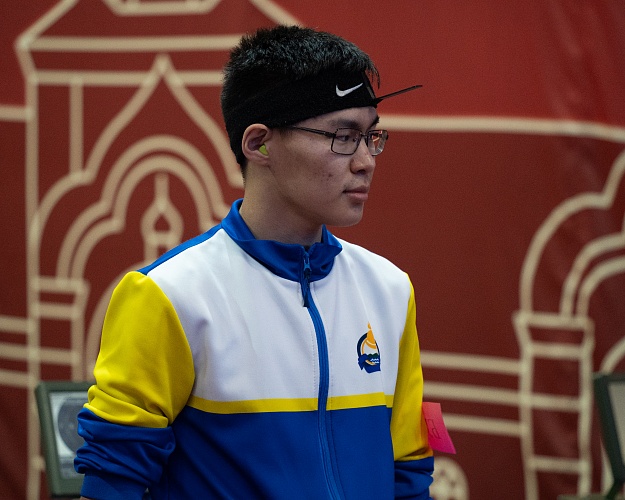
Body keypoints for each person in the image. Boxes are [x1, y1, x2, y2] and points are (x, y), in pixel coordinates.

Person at [75, 25, 434, 499]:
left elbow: (408, 473)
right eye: (344, 136)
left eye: (372, 136)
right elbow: (112, 483)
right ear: (259, 143)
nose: (366, 160)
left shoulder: (389, 289)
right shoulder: (169, 296)